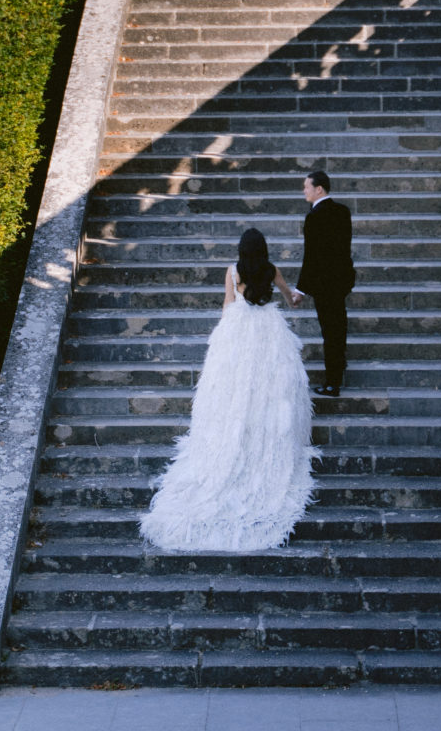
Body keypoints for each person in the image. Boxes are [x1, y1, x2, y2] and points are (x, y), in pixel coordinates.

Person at [139, 226, 315, 552]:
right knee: (268, 385)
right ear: (262, 249)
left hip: (238, 330)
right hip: (268, 329)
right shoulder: (272, 269)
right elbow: (290, 297)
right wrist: (295, 297)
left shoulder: (233, 271)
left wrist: (223, 336)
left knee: (233, 384)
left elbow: (227, 303)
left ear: (241, 249)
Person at [296, 168, 355, 398]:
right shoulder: (343, 212)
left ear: (318, 188)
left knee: (330, 331)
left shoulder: (314, 216)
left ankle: (332, 383)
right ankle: (338, 369)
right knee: (338, 328)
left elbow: (311, 257)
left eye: (306, 187)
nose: (304, 191)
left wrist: (300, 289)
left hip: (324, 285)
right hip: (340, 282)